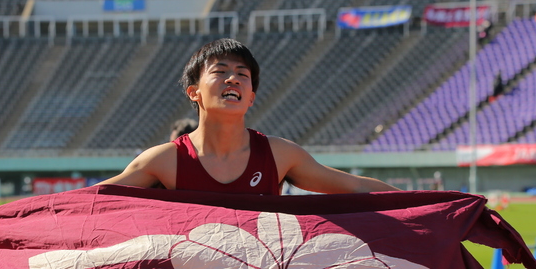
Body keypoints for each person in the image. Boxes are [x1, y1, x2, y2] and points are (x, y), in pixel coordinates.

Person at [97, 38, 399, 195]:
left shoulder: (280, 155)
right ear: (193, 92)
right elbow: (88, 203)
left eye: (243, 75)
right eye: (220, 72)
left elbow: (357, 188)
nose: (233, 79)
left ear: (251, 97)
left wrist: (438, 204)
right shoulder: (163, 161)